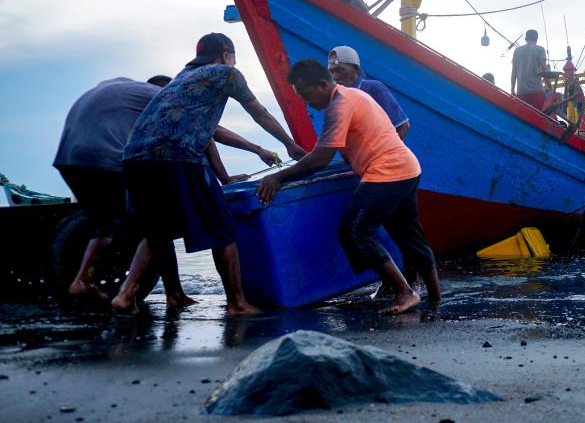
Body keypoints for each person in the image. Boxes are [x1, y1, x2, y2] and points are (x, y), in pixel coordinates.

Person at [111, 33, 307, 316]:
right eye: (234, 56)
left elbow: (206, 130)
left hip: (135, 158)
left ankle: (126, 294)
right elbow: (259, 113)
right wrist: (290, 144)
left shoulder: (183, 76)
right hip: (177, 156)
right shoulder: (227, 73)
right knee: (222, 228)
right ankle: (237, 303)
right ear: (226, 53)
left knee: (158, 231)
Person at [53, 75, 281, 302]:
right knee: (158, 226)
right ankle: (134, 292)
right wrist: (254, 152)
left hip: (69, 158)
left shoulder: (118, 90)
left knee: (111, 225)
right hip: (108, 158)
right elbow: (210, 131)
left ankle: (92, 279)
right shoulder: (160, 98)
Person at [256, 59, 440, 314]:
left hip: (387, 172)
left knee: (354, 232)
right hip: (408, 169)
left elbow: (321, 158)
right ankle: (435, 299)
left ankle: (404, 291)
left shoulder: (339, 105)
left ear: (323, 85)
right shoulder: (353, 94)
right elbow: (339, 147)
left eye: (307, 95)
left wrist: (277, 178)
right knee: (410, 235)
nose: (308, 103)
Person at [328, 46, 410, 139]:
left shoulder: (373, 88)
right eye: (331, 72)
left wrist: (386, 152)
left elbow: (402, 126)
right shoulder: (338, 99)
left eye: (340, 70)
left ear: (355, 68)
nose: (335, 77)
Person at [510, 29, 548, 110]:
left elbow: (514, 71)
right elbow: (545, 70)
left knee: (522, 117)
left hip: (521, 92)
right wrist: (551, 88)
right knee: (542, 117)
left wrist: (512, 90)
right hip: (536, 91)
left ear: (525, 39)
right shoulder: (540, 49)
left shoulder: (517, 51)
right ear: (536, 39)